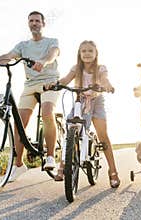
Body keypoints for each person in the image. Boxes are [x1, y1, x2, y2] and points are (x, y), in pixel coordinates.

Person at [0, 11, 60, 182]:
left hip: (49, 83)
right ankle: (18, 165)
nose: (34, 23)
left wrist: (43, 62)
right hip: (30, 85)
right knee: (19, 123)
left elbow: (52, 54)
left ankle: (51, 156)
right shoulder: (23, 45)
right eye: (31, 21)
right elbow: (8, 57)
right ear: (28, 24)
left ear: (43, 23)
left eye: (37, 20)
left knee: (47, 112)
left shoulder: (52, 41)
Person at [46, 40, 120, 188]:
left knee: (103, 136)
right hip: (79, 101)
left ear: (96, 53)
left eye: (90, 51)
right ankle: (63, 167)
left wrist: (107, 85)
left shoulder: (101, 68)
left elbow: (105, 79)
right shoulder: (76, 69)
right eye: (84, 51)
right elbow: (66, 80)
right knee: (71, 132)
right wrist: (54, 84)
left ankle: (113, 171)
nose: (87, 53)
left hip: (96, 101)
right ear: (79, 54)